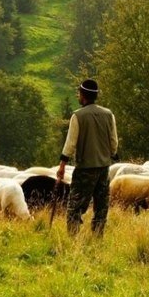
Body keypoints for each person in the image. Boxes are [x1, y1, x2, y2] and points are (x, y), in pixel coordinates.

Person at [57, 79, 118, 236]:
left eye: (79, 93)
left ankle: (73, 239)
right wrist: (111, 154)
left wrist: (62, 164)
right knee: (101, 207)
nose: (78, 95)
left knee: (75, 207)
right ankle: (97, 238)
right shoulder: (108, 114)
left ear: (83, 95)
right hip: (104, 168)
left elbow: (70, 143)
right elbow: (113, 142)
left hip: (85, 169)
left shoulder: (78, 116)